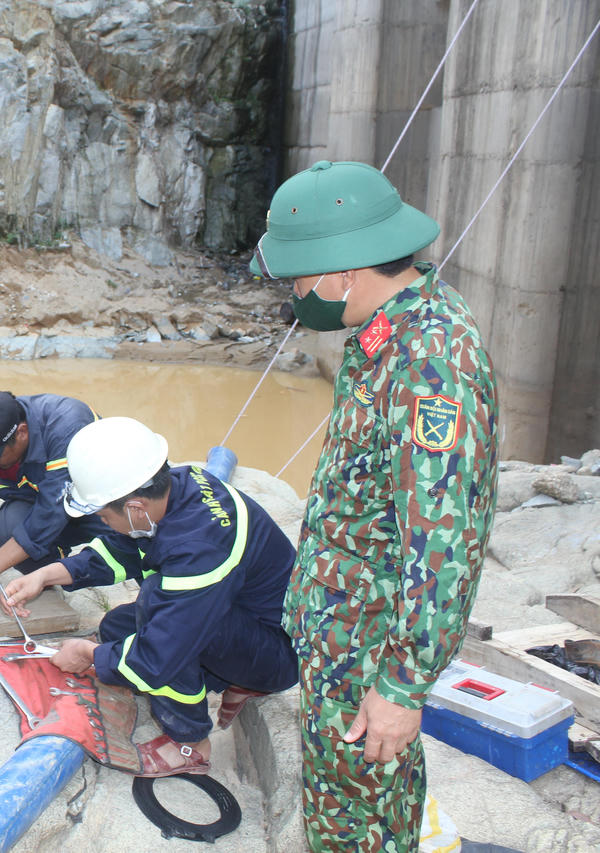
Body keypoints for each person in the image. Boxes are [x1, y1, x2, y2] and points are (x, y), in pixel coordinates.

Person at [251, 160, 499, 850]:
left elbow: (445, 542)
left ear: (343, 273)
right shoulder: (384, 330)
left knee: (352, 819)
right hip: (343, 632)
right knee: (368, 802)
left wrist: (402, 685)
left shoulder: (430, 360)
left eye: (301, 278)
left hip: (371, 651)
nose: (298, 293)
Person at [1, 417, 300, 775]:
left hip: (278, 652)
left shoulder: (198, 551)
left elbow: (161, 653)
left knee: (152, 616)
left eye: (103, 515)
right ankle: (231, 679)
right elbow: (126, 546)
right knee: (116, 627)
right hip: (239, 619)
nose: (103, 523)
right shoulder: (177, 486)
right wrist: (50, 574)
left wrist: (90, 654)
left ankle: (191, 742)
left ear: (134, 507)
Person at [0, 389, 110, 606]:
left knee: (127, 548)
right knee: (6, 528)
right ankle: (46, 578)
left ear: (22, 433)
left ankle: (61, 574)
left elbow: (48, 515)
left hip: (102, 508)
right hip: (45, 500)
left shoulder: (67, 426)